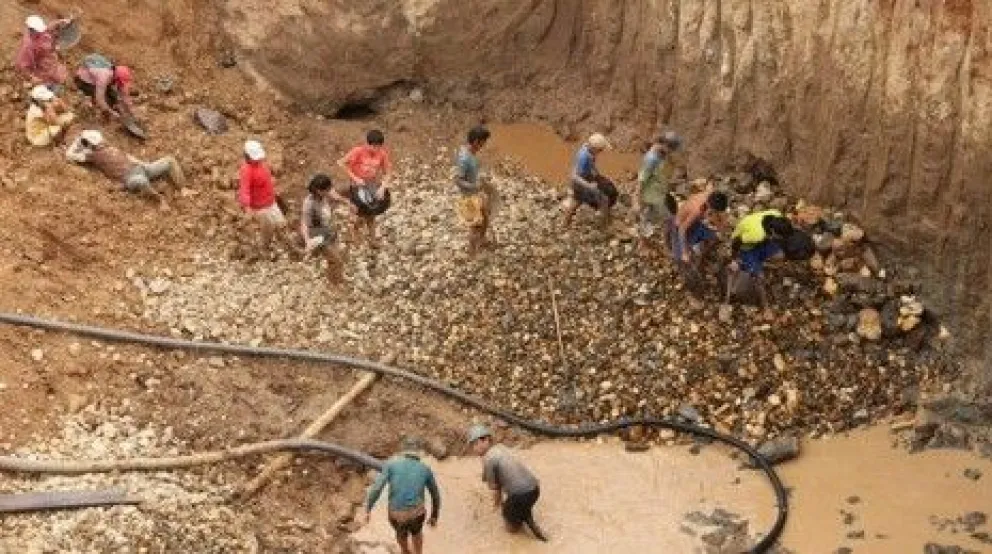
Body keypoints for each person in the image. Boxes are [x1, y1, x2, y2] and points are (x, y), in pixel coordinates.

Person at [467, 424, 547, 542]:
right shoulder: (500, 449)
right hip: (534, 489)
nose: (474, 449)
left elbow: (496, 489)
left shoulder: (488, 460)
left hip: (520, 495)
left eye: (474, 445)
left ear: (484, 441)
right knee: (522, 509)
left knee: (510, 527)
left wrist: (496, 505)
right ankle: (535, 529)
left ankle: (522, 535)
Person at [363, 437, 441, 554]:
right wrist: (434, 516)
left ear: (403, 452)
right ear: (419, 453)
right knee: (417, 532)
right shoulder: (425, 469)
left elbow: (377, 488)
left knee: (400, 533)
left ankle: (405, 551)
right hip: (416, 514)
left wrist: (368, 509)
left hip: (396, 515)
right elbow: (435, 494)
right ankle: (418, 552)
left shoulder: (391, 465)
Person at [65, 130, 184, 204]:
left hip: (142, 168)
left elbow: (128, 156)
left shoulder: (110, 147)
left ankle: (182, 188)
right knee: (141, 181)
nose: (102, 142)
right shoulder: (91, 156)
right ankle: (159, 199)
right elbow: (69, 155)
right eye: (99, 142)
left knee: (169, 160)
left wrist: (142, 163)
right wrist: (77, 142)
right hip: (129, 177)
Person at [725, 209, 813, 308]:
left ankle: (759, 262)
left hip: (761, 240)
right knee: (760, 277)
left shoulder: (776, 214)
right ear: (773, 232)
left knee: (779, 254)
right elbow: (736, 241)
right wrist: (734, 259)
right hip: (746, 248)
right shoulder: (757, 235)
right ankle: (765, 305)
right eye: (780, 237)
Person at [338, 129, 393, 247]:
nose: (376, 149)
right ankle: (354, 234)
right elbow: (341, 163)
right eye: (373, 146)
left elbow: (388, 173)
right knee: (358, 213)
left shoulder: (382, 154)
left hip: (371, 184)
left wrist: (383, 187)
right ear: (367, 144)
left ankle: (372, 240)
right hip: (357, 185)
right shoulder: (358, 151)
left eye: (378, 146)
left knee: (372, 212)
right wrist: (355, 178)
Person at [238, 140, 294, 256]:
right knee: (268, 227)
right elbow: (244, 190)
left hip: (271, 201)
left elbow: (268, 177)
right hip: (259, 207)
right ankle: (265, 249)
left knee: (281, 223)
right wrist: (247, 208)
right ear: (247, 156)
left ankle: (288, 245)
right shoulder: (246, 170)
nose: (258, 159)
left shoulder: (262, 164)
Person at [634, 132, 682, 254]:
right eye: (671, 149)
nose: (671, 152)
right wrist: (637, 199)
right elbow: (641, 180)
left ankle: (646, 243)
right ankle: (650, 244)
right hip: (650, 196)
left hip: (657, 194)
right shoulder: (652, 159)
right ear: (665, 145)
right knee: (666, 220)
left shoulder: (660, 153)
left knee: (649, 219)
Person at [669, 184, 729, 274]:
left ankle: (699, 249)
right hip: (680, 226)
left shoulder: (711, 195)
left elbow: (717, 215)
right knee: (680, 255)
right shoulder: (697, 210)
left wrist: (721, 228)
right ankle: (685, 262)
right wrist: (685, 253)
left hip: (696, 222)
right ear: (710, 207)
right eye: (714, 211)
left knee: (714, 237)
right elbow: (682, 229)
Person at [300, 173, 348, 283]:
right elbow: (304, 223)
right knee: (336, 260)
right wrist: (308, 241)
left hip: (328, 230)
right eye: (327, 190)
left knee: (335, 256)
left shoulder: (325, 193)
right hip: (318, 234)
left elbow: (335, 196)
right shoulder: (309, 204)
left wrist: (347, 202)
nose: (330, 191)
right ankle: (334, 282)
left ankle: (337, 277)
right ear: (319, 191)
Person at [453, 125, 495, 255]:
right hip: (468, 197)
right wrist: (475, 186)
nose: (483, 145)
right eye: (483, 142)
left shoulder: (470, 153)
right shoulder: (464, 158)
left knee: (485, 217)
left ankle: (481, 240)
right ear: (476, 141)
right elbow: (457, 180)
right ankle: (472, 252)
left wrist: (479, 184)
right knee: (475, 226)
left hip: (475, 194)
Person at [562, 133, 617, 228]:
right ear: (595, 149)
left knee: (577, 201)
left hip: (585, 179)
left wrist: (597, 175)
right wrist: (589, 186)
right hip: (581, 183)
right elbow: (574, 176)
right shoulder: (583, 157)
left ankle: (565, 223)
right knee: (604, 199)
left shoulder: (587, 148)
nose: (600, 152)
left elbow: (591, 164)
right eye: (600, 150)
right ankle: (604, 224)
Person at [14, 15, 71, 87]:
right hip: (43, 70)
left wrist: (61, 22)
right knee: (47, 84)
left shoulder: (40, 33)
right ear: (31, 30)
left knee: (56, 76)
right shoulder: (28, 46)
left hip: (51, 65)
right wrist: (31, 77)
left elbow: (48, 29)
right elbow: (21, 64)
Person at [74, 53, 134, 121]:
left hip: (97, 80)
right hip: (83, 82)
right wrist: (111, 112)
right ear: (117, 78)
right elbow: (99, 99)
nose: (119, 84)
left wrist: (130, 108)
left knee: (113, 95)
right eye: (120, 82)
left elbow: (123, 93)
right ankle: (105, 115)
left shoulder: (113, 72)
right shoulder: (104, 76)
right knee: (106, 101)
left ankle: (116, 110)